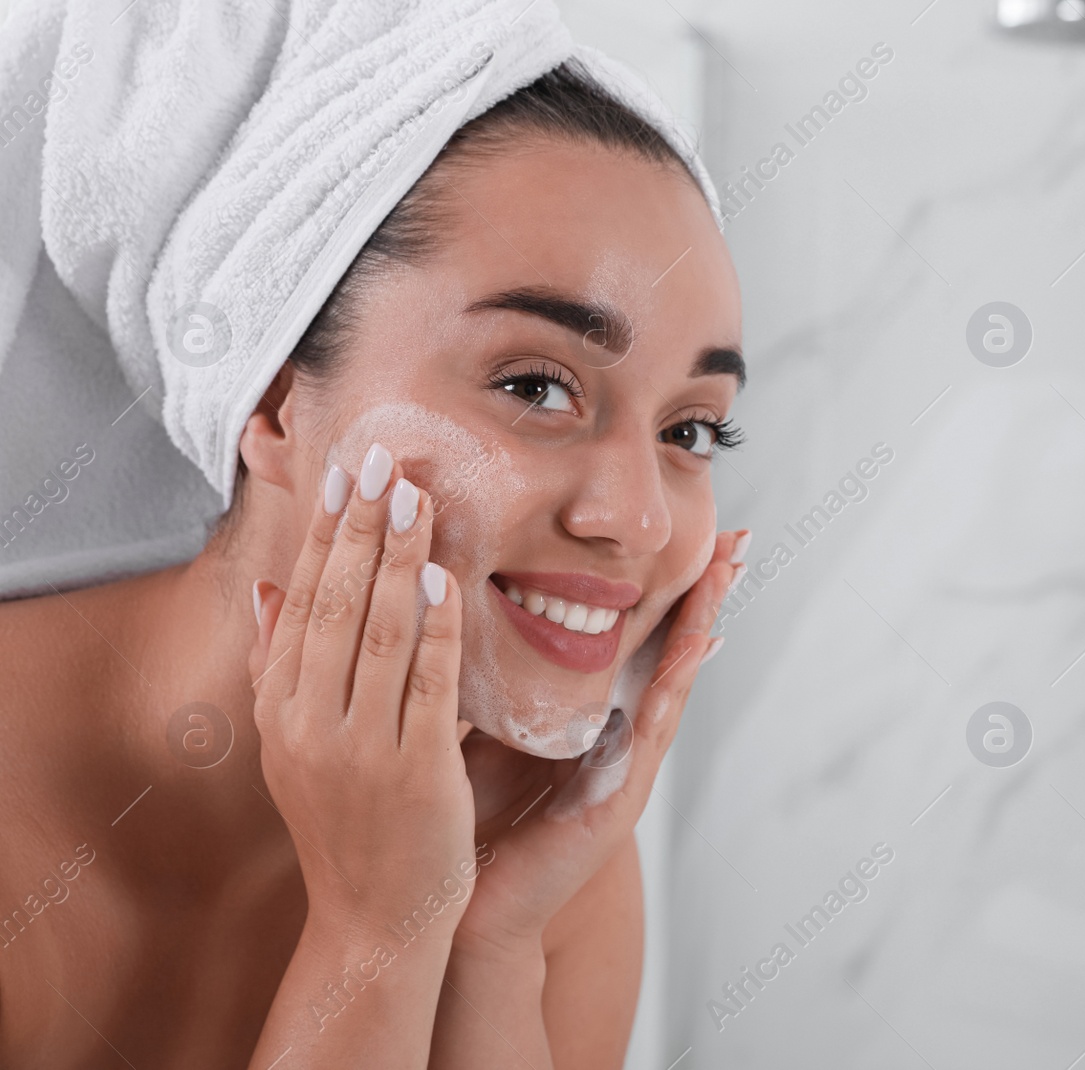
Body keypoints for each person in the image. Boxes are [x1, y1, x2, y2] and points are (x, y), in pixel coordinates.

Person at [0, 27, 749, 1070]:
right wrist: (377, 933)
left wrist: (489, 946)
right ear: (268, 396)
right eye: (535, 385)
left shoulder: (539, 847)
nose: (638, 519)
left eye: (690, 430)